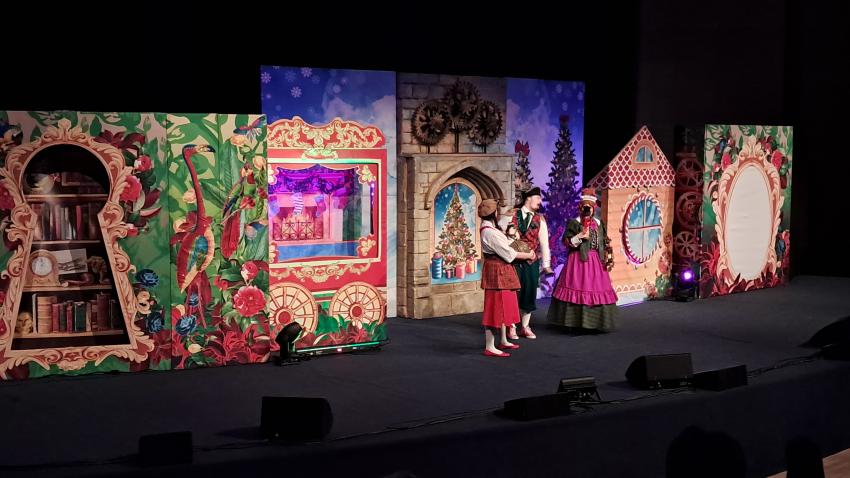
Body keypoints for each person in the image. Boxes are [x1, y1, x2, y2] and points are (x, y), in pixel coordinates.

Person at [547, 188, 618, 332]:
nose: (588, 210)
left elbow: (604, 241)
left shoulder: (598, 223)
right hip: (578, 260)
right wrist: (580, 236)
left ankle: (594, 323)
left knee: (596, 289)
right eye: (585, 207)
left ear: (594, 208)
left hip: (596, 261)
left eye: (590, 207)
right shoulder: (574, 222)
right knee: (577, 287)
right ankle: (574, 323)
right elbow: (566, 242)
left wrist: (608, 255)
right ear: (580, 207)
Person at [478, 199, 536, 357]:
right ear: (493, 213)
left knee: (504, 306)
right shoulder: (490, 232)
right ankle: (490, 346)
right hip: (497, 269)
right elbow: (508, 253)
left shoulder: (491, 228)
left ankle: (503, 340)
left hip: (501, 268)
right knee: (495, 307)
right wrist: (528, 255)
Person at [506, 187, 552, 340]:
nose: (540, 201)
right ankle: (511, 326)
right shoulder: (513, 215)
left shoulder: (540, 219)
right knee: (513, 293)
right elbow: (504, 235)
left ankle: (525, 326)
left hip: (531, 262)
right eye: (538, 198)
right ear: (529, 198)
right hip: (514, 261)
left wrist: (546, 265)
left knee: (529, 292)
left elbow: (544, 244)